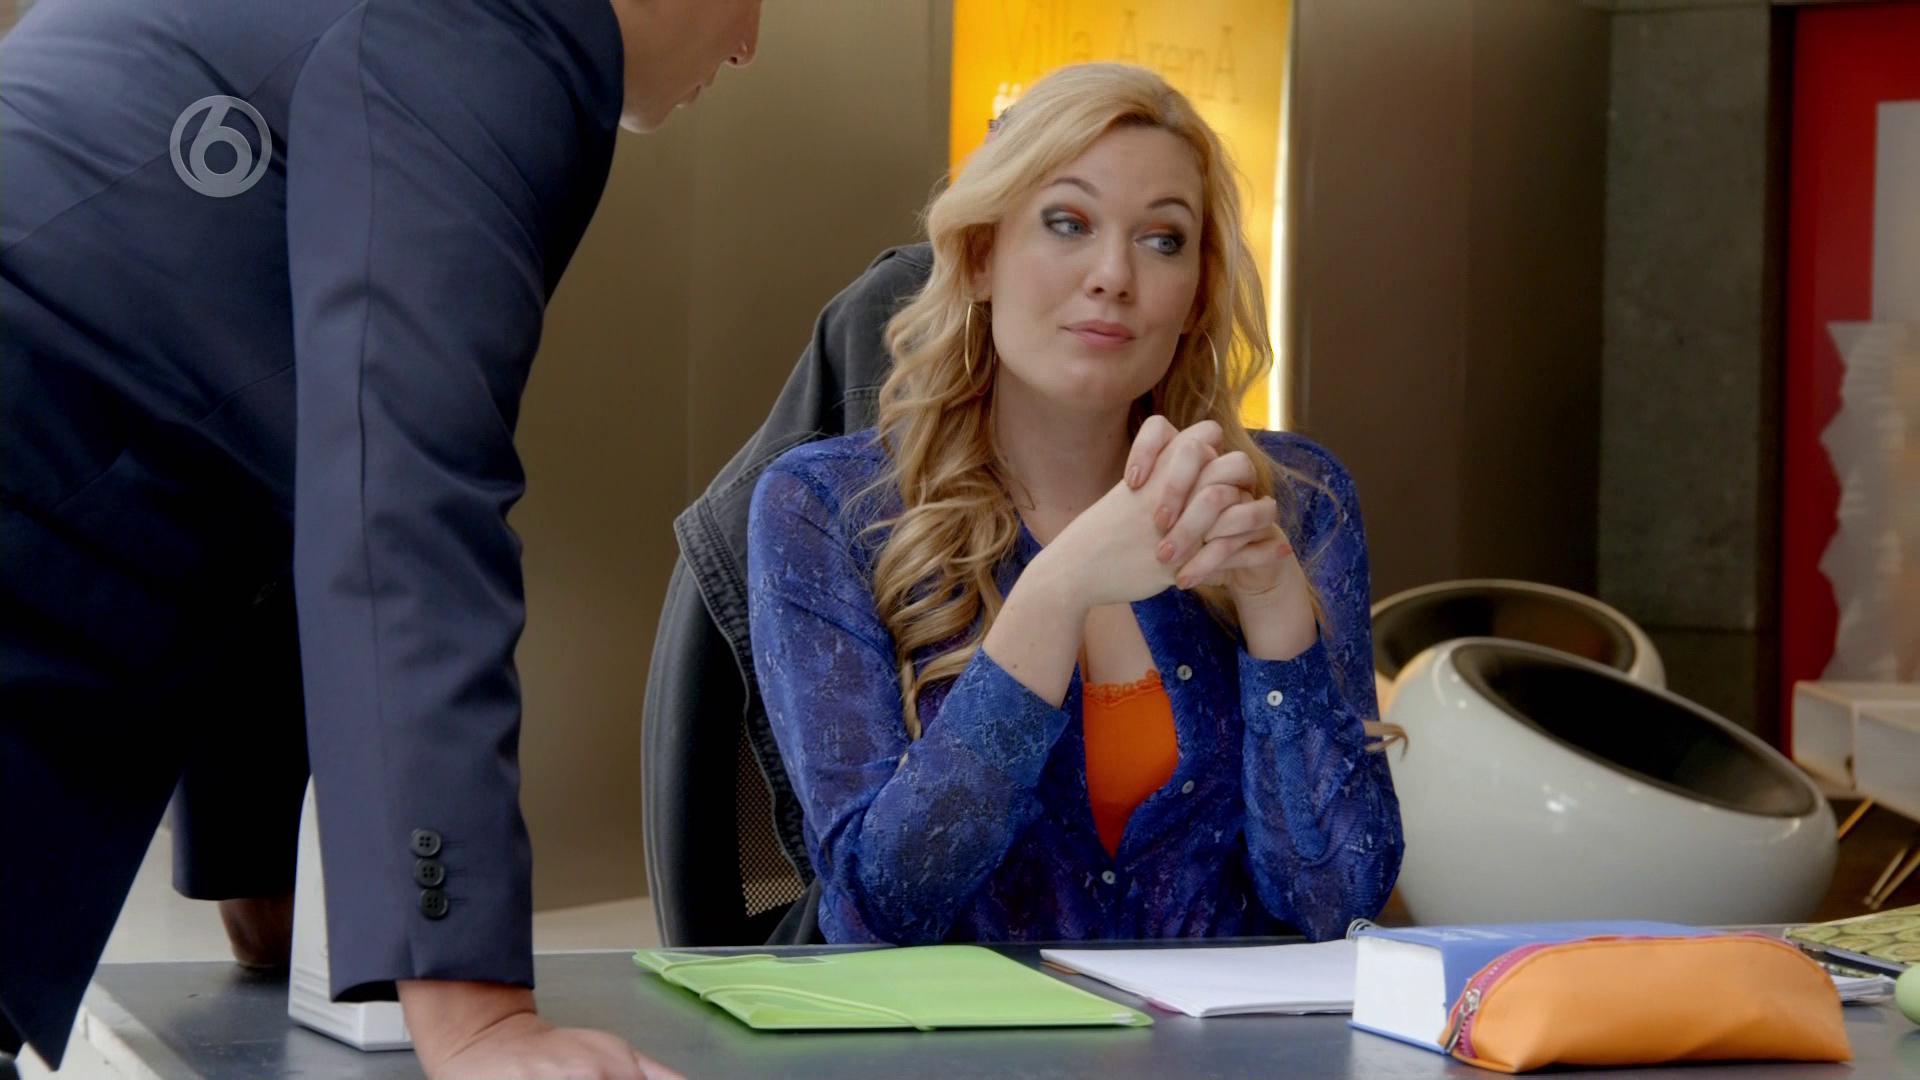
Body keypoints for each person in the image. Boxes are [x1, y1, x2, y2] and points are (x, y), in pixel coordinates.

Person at [0, 0, 758, 1075]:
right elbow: (405, 488)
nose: (749, 45)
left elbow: (281, 443)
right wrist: (478, 1016)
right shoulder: (488, 31)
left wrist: (260, 876)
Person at [746, 62, 1403, 946]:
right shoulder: (827, 508)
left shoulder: (1295, 503)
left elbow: (1337, 906)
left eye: (1162, 240)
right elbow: (884, 908)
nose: (1113, 275)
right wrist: (1056, 593)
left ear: (1197, 292)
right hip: (961, 1030)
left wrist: (1278, 620)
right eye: (1068, 223)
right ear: (982, 256)